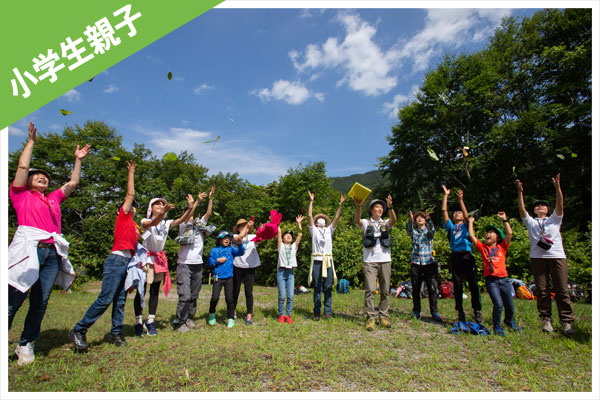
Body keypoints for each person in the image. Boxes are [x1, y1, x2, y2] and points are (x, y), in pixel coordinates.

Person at [8, 122, 90, 366]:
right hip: (29, 251)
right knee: (13, 298)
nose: (42, 177)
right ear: (28, 180)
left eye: (45, 176)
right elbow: (22, 166)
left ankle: (25, 344)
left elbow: (73, 183)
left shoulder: (52, 198)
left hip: (51, 253)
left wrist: (78, 160)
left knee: (40, 301)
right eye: (37, 175)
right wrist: (31, 142)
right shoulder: (20, 195)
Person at [70, 161, 138, 350]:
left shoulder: (133, 225)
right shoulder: (122, 216)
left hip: (126, 262)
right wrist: (131, 173)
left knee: (120, 300)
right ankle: (79, 329)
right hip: (116, 261)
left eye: (134, 206)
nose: (132, 207)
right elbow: (130, 194)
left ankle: (116, 332)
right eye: (130, 205)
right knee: (106, 298)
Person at [516, 174, 575, 335]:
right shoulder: (531, 222)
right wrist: (520, 192)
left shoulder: (554, 220)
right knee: (542, 290)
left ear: (548, 209)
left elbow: (560, 204)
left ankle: (567, 321)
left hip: (556, 256)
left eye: (543, 205)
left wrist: (557, 188)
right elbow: (522, 210)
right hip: (537, 258)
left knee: (562, 289)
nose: (540, 207)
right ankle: (546, 320)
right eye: (536, 206)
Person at [134, 195, 196, 336]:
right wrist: (162, 213)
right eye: (157, 204)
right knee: (141, 291)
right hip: (145, 259)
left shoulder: (166, 223)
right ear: (151, 208)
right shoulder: (145, 220)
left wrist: (191, 206)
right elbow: (152, 224)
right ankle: (138, 322)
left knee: (155, 291)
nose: (161, 205)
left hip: (159, 259)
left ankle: (150, 321)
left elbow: (183, 220)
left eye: (163, 204)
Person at [467, 212, 522, 337]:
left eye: (491, 233)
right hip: (491, 281)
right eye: (487, 233)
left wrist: (505, 220)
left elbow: (509, 234)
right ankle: (497, 326)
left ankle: (509, 321)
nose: (488, 234)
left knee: (509, 304)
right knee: (498, 305)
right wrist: (470, 223)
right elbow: (471, 235)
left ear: (497, 238)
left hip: (504, 280)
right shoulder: (483, 248)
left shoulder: (502, 247)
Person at [171, 187, 215, 333]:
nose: (190, 215)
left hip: (198, 265)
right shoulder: (183, 226)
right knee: (185, 295)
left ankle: (189, 317)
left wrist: (210, 198)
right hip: (184, 264)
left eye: (192, 213)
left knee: (194, 295)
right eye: (187, 213)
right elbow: (188, 214)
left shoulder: (199, 227)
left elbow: (208, 213)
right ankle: (179, 322)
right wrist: (196, 201)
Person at [354, 195, 397, 331]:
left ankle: (383, 316)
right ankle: (370, 317)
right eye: (377, 207)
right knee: (370, 290)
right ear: (371, 209)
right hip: (370, 261)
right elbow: (357, 220)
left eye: (381, 207)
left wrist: (390, 207)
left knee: (385, 290)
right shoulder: (366, 223)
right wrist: (359, 206)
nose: (380, 209)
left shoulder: (385, 223)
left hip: (385, 260)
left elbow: (394, 220)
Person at [442, 186, 482, 323]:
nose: (456, 214)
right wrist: (446, 195)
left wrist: (461, 200)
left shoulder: (465, 225)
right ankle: (460, 312)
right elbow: (444, 211)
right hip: (455, 257)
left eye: (458, 213)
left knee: (473, 284)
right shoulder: (451, 226)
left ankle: (477, 310)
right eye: (455, 213)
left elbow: (466, 215)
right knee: (457, 286)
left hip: (467, 256)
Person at [307, 191, 346, 320]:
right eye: (318, 220)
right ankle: (317, 311)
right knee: (317, 286)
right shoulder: (314, 230)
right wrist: (311, 201)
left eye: (323, 220)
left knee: (328, 286)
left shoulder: (329, 230)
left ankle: (328, 311)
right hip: (317, 260)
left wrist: (340, 205)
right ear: (316, 222)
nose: (321, 221)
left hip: (328, 261)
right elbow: (309, 215)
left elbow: (336, 218)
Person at [207, 226, 249, 328]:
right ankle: (212, 314)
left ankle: (230, 318)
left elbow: (241, 253)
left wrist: (240, 245)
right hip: (218, 277)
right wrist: (217, 260)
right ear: (219, 239)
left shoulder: (231, 249)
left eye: (228, 238)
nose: (227, 239)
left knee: (229, 298)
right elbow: (209, 262)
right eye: (224, 238)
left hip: (229, 277)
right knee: (215, 297)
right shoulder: (214, 250)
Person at [406, 210, 443, 322]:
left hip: (429, 262)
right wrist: (410, 220)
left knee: (432, 288)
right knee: (416, 289)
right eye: (417, 218)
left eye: (422, 217)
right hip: (416, 262)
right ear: (415, 221)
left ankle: (434, 312)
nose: (420, 219)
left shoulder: (428, 232)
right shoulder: (414, 232)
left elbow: (432, 230)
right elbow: (408, 230)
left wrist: (429, 220)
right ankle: (416, 311)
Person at [232, 217, 261, 326]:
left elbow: (261, 238)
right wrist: (248, 227)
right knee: (235, 291)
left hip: (250, 267)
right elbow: (239, 239)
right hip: (238, 266)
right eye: (242, 225)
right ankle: (232, 311)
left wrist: (259, 229)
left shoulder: (252, 237)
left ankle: (249, 314)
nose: (244, 227)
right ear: (238, 228)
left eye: (246, 225)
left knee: (249, 292)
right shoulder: (234, 237)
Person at [276, 216, 304, 324]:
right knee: (282, 295)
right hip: (281, 272)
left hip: (290, 273)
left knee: (291, 296)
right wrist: (277, 224)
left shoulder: (294, 247)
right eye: (286, 235)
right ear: (282, 239)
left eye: (290, 236)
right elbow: (279, 232)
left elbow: (300, 234)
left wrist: (299, 223)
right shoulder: (281, 246)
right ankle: (280, 315)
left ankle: (288, 315)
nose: (288, 236)